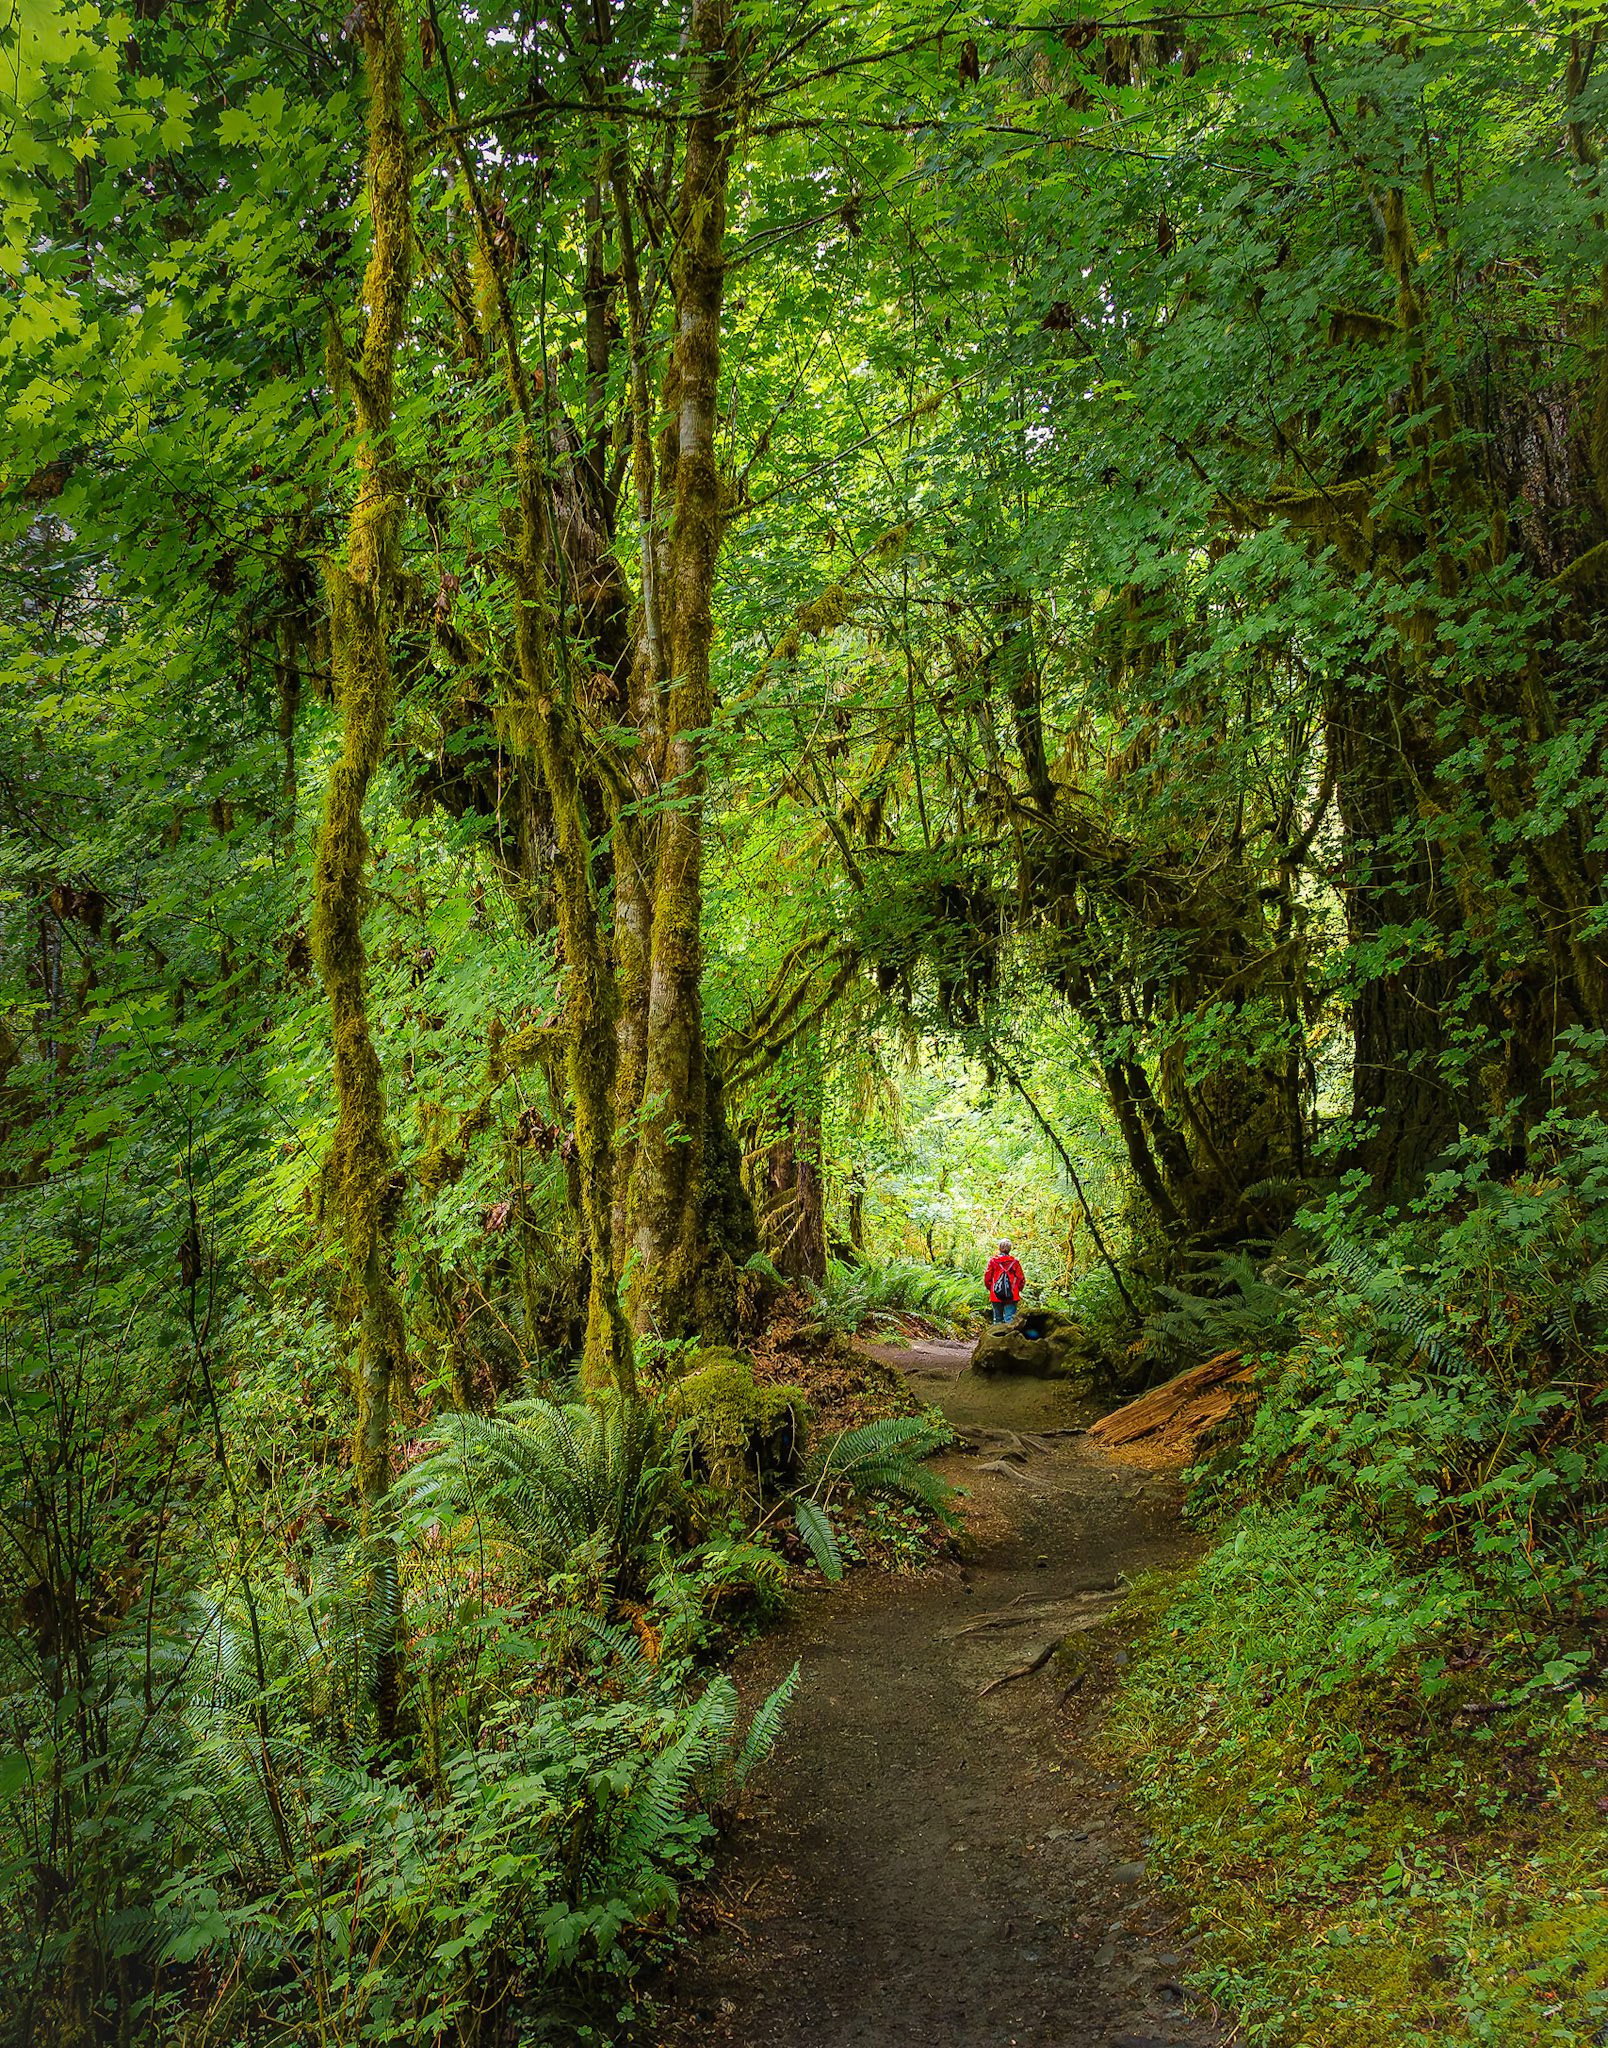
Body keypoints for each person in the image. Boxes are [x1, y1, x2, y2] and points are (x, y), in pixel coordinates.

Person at [984, 1239, 1025, 1325]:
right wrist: (1019, 1289)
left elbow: (987, 1277)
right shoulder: (1014, 1262)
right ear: (1010, 1249)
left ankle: (997, 1337)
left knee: (997, 1320)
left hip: (995, 1294)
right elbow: (1020, 1278)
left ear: (999, 1248)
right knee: (1010, 1319)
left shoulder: (993, 1261)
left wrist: (991, 1288)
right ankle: (1008, 1337)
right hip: (1012, 1295)